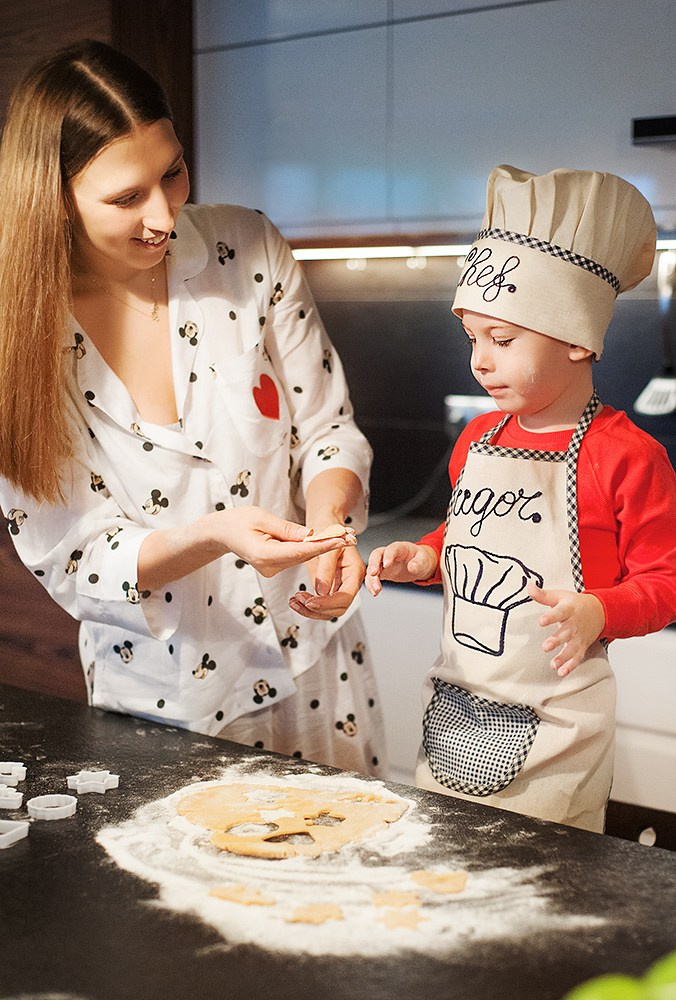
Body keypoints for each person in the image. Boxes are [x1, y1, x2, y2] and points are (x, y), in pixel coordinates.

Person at [0, 40, 385, 775]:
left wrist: (332, 525)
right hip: (167, 699)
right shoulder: (19, 337)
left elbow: (329, 431)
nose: (163, 216)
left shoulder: (248, 250)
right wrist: (215, 535)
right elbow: (75, 557)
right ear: (52, 197)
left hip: (315, 668)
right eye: (124, 197)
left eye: (172, 172)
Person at [366, 164, 676, 831]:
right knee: (449, 874)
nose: (480, 360)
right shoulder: (476, 439)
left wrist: (601, 611)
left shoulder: (626, 456)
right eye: (472, 339)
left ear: (577, 341)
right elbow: (473, 538)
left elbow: (667, 580)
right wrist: (425, 558)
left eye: (502, 341)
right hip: (454, 708)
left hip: (562, 730)